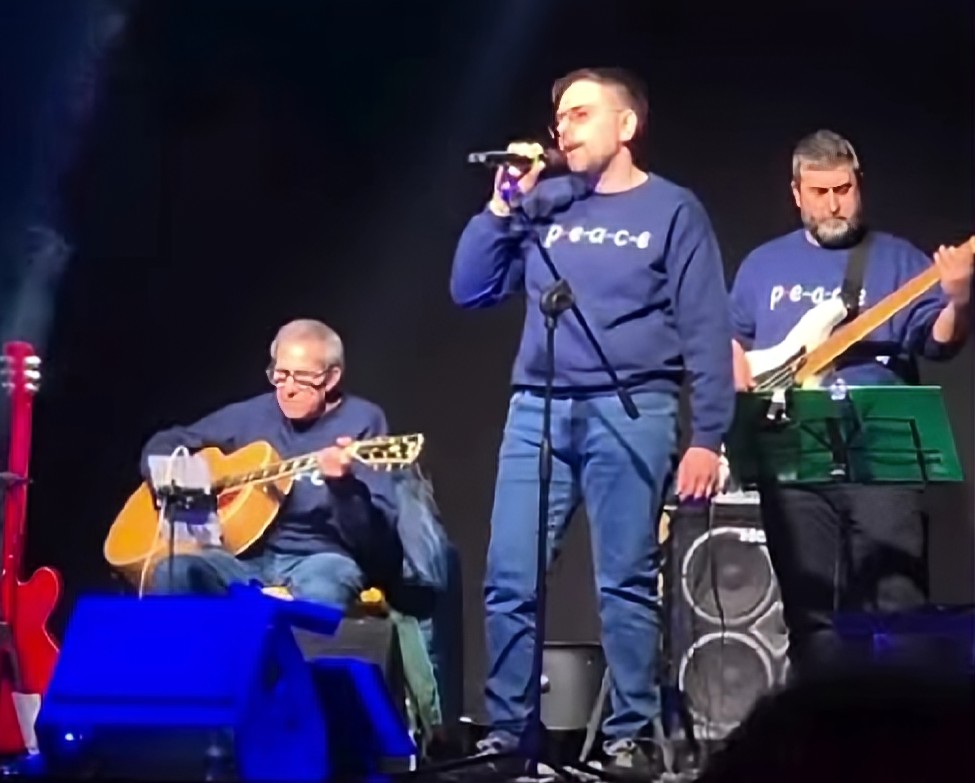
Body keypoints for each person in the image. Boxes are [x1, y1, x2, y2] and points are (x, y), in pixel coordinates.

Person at [451, 66, 735, 774]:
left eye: (581, 114)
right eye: (560, 117)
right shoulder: (543, 202)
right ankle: (509, 733)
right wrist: (499, 206)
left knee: (625, 580)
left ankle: (629, 735)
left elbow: (705, 328)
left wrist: (706, 436)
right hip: (538, 409)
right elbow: (470, 288)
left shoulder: (673, 209)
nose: (563, 128)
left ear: (626, 125)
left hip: (632, 407)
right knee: (510, 578)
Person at [729, 129, 973, 679]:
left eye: (844, 189)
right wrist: (736, 377)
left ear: (859, 184)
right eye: (820, 192)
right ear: (796, 192)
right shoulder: (763, 265)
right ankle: (820, 722)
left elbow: (939, 343)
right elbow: (732, 339)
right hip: (789, 440)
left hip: (881, 438)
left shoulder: (899, 259)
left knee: (898, 606)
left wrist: (959, 300)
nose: (834, 203)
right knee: (809, 612)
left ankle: (900, 723)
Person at [143, 318, 401, 608]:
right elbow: (168, 442)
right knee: (173, 572)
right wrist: (178, 484)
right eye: (280, 374)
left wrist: (343, 487)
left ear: (330, 378)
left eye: (301, 377)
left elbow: (374, 543)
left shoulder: (362, 421)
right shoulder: (253, 415)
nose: (287, 389)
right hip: (245, 560)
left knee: (325, 587)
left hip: (320, 559)